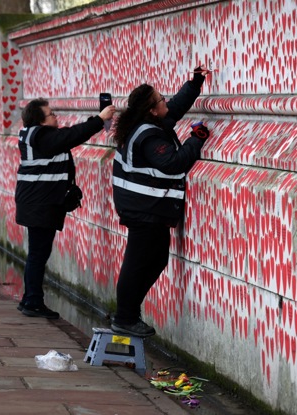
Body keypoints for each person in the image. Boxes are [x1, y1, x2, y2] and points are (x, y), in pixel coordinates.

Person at [110, 67, 210, 337]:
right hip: (144, 210)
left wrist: (195, 82)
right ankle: (125, 317)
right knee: (137, 264)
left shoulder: (146, 123)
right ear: (153, 110)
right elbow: (173, 163)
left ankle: (128, 313)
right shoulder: (149, 135)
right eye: (161, 99)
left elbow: (175, 107)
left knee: (156, 260)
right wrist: (196, 139)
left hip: (143, 207)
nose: (166, 101)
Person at [15, 99, 116, 319]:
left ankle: (29, 298)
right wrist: (99, 120)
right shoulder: (40, 136)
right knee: (38, 254)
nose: (56, 117)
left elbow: (67, 136)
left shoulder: (36, 135)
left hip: (36, 203)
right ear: (40, 121)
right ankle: (32, 301)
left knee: (37, 253)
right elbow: (71, 136)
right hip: (39, 205)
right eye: (51, 114)